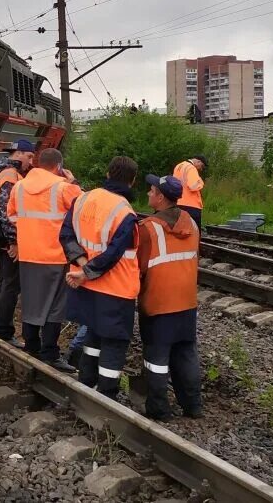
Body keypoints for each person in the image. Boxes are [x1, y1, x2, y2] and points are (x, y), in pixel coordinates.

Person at [60, 155, 140, 400]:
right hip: (116, 290)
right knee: (114, 343)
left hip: (87, 287)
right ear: (132, 181)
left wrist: (83, 266)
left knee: (93, 335)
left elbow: (65, 235)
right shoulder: (124, 211)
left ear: (107, 174)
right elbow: (114, 253)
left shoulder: (83, 198)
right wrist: (87, 272)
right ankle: (107, 395)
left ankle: (87, 383)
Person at [7, 148, 81, 371]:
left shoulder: (19, 186)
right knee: (54, 307)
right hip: (55, 255)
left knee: (31, 302)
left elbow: (11, 216)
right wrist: (73, 181)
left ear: (39, 163)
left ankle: (31, 346)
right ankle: (50, 353)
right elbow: (84, 209)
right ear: (59, 166)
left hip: (29, 254)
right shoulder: (63, 188)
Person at [137, 173, 202, 421]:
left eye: (151, 191)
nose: (148, 194)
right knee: (186, 353)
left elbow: (139, 267)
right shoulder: (192, 225)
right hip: (186, 302)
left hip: (158, 303)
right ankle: (193, 406)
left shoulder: (148, 229)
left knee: (156, 358)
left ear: (161, 197)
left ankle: (159, 409)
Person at [0, 139, 35, 346]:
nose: (31, 162)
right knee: (11, 284)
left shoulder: (2, 172)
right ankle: (3, 331)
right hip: (7, 239)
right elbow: (8, 213)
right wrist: (14, 242)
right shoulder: (10, 177)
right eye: (30, 156)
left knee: (3, 281)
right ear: (19, 154)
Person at [172, 156, 206, 228]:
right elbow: (193, 187)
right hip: (191, 205)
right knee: (194, 233)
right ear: (198, 161)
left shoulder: (179, 166)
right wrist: (201, 182)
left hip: (178, 202)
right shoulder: (191, 168)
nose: (201, 169)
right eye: (202, 166)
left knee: (180, 230)